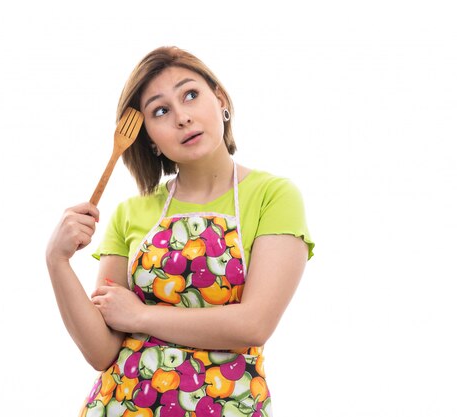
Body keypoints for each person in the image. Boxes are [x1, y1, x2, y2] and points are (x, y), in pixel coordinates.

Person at [46, 46, 314, 417]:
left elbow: (253, 324)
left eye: (191, 95)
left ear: (219, 99)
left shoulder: (274, 196)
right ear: (150, 137)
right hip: (119, 406)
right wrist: (57, 262)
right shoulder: (130, 211)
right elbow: (102, 351)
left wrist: (140, 317)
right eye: (161, 111)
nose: (183, 117)